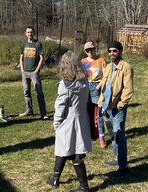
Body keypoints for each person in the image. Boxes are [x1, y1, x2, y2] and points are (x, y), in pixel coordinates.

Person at [47, 51, 92, 192]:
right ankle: (55, 178)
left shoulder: (65, 85)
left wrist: (56, 124)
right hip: (82, 120)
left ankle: (84, 187)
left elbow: (60, 107)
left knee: (75, 155)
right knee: (63, 149)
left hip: (68, 123)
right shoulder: (84, 81)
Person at [98, 40, 134, 176]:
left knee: (119, 136)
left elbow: (128, 90)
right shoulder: (108, 67)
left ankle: (123, 167)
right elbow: (104, 85)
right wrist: (101, 102)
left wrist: (120, 106)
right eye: (109, 51)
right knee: (112, 136)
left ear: (120, 51)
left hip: (117, 109)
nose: (112, 53)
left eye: (114, 50)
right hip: (105, 108)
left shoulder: (126, 68)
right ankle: (118, 158)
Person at [19, 26, 49, 120]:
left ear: (34, 33)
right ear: (25, 34)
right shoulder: (24, 44)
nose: (30, 34)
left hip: (34, 72)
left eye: (31, 32)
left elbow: (41, 58)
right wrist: (22, 70)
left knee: (39, 93)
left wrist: (36, 70)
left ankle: (43, 113)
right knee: (26, 92)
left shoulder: (38, 44)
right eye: (28, 32)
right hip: (25, 72)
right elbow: (21, 58)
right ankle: (29, 110)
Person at [81, 42, 107, 148]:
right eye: (87, 50)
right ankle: (87, 135)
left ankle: (101, 137)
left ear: (94, 49)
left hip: (96, 88)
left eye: (91, 49)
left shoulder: (101, 60)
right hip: (85, 88)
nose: (89, 52)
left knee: (99, 114)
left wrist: (99, 86)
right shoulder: (82, 62)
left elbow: (106, 76)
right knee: (85, 113)